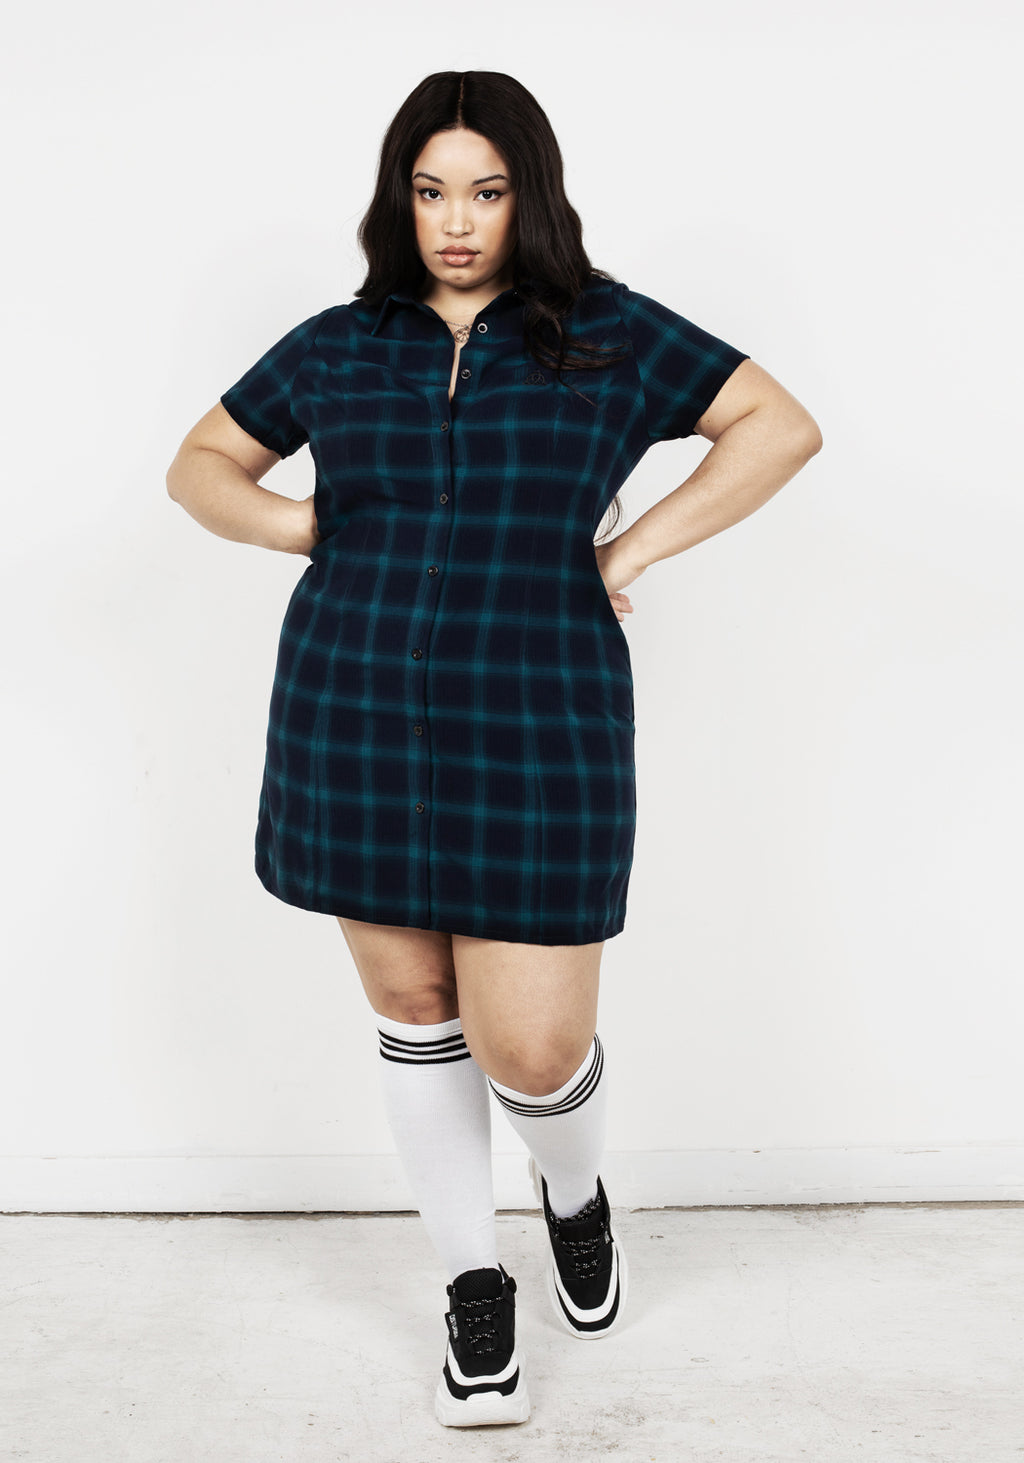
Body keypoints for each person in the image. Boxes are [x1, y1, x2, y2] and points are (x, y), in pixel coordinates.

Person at [166, 70, 822, 1429]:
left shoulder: (605, 333)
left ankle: (572, 1192)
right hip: (352, 710)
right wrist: (303, 525)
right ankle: (475, 1288)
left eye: (486, 191)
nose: (456, 222)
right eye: (430, 192)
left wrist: (629, 551)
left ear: (531, 196)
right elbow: (199, 466)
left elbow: (778, 425)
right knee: (417, 1012)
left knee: (530, 1047)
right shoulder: (339, 346)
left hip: (538, 713)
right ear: (397, 201)